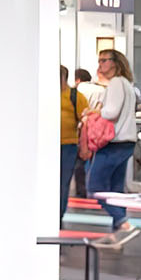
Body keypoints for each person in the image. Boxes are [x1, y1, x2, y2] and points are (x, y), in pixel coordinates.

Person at [86, 49, 140, 248]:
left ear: (115, 63)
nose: (100, 65)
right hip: (125, 141)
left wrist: (94, 111)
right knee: (116, 189)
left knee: (95, 186)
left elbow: (111, 112)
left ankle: (123, 223)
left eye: (104, 60)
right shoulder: (127, 84)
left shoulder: (116, 83)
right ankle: (118, 234)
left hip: (113, 142)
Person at [59, 65, 83, 222]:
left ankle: (59, 214)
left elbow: (85, 117)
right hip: (47, 146)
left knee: (63, 181)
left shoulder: (75, 96)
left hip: (68, 145)